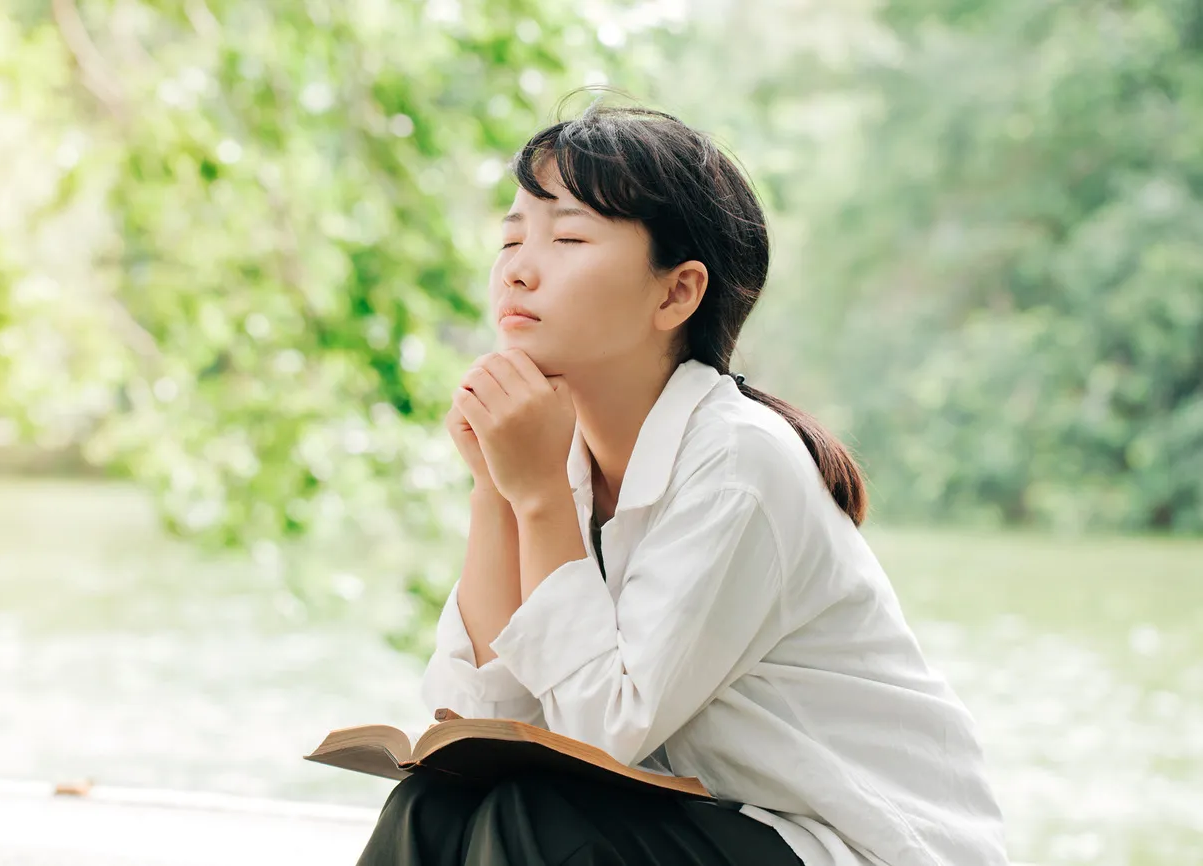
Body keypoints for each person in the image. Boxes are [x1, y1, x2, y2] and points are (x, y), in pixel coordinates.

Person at [354, 97, 1008, 866]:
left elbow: (597, 734)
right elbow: (477, 721)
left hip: (849, 846)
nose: (519, 269)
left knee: (539, 817)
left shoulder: (739, 461)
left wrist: (531, 496)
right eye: (511, 238)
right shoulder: (556, 459)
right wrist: (497, 489)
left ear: (676, 293)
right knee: (434, 802)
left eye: (567, 237)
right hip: (701, 823)